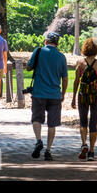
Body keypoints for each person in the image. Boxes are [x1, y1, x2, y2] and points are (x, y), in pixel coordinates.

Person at [27, 32, 68, 161]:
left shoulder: (38, 51)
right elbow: (65, 78)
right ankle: (48, 151)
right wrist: (63, 94)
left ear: (46, 41)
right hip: (55, 94)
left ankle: (38, 140)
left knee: (37, 118)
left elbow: (28, 67)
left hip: (39, 92)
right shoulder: (62, 57)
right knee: (52, 124)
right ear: (57, 43)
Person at [72, 37, 97, 161]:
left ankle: (84, 144)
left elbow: (76, 81)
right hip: (96, 94)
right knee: (93, 123)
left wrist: (73, 98)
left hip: (83, 94)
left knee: (83, 121)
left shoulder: (79, 63)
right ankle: (92, 152)